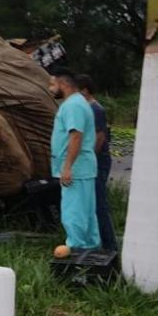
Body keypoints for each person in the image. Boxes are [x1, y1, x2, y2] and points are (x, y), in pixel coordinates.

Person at [48, 69, 101, 251]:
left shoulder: (72, 106)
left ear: (63, 84)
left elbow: (76, 136)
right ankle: (90, 248)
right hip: (82, 168)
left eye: (52, 84)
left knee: (74, 212)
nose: (50, 88)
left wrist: (67, 167)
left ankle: (76, 250)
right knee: (85, 212)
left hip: (76, 169)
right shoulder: (78, 103)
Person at [76, 74, 118, 252]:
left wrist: (86, 159)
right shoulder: (84, 109)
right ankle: (94, 242)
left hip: (97, 164)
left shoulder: (96, 110)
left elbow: (99, 139)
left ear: (84, 90)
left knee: (99, 204)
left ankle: (110, 245)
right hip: (89, 163)